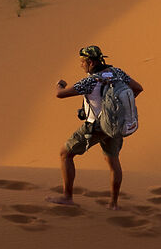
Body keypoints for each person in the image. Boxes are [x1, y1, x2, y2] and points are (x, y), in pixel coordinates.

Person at [54, 44, 141, 208]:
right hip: (115, 126)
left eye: (82, 61)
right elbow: (138, 88)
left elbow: (60, 95)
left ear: (90, 62)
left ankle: (67, 197)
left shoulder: (90, 81)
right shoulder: (117, 73)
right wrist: (119, 109)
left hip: (96, 127)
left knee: (65, 154)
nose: (81, 64)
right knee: (113, 162)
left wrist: (60, 84)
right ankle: (113, 204)